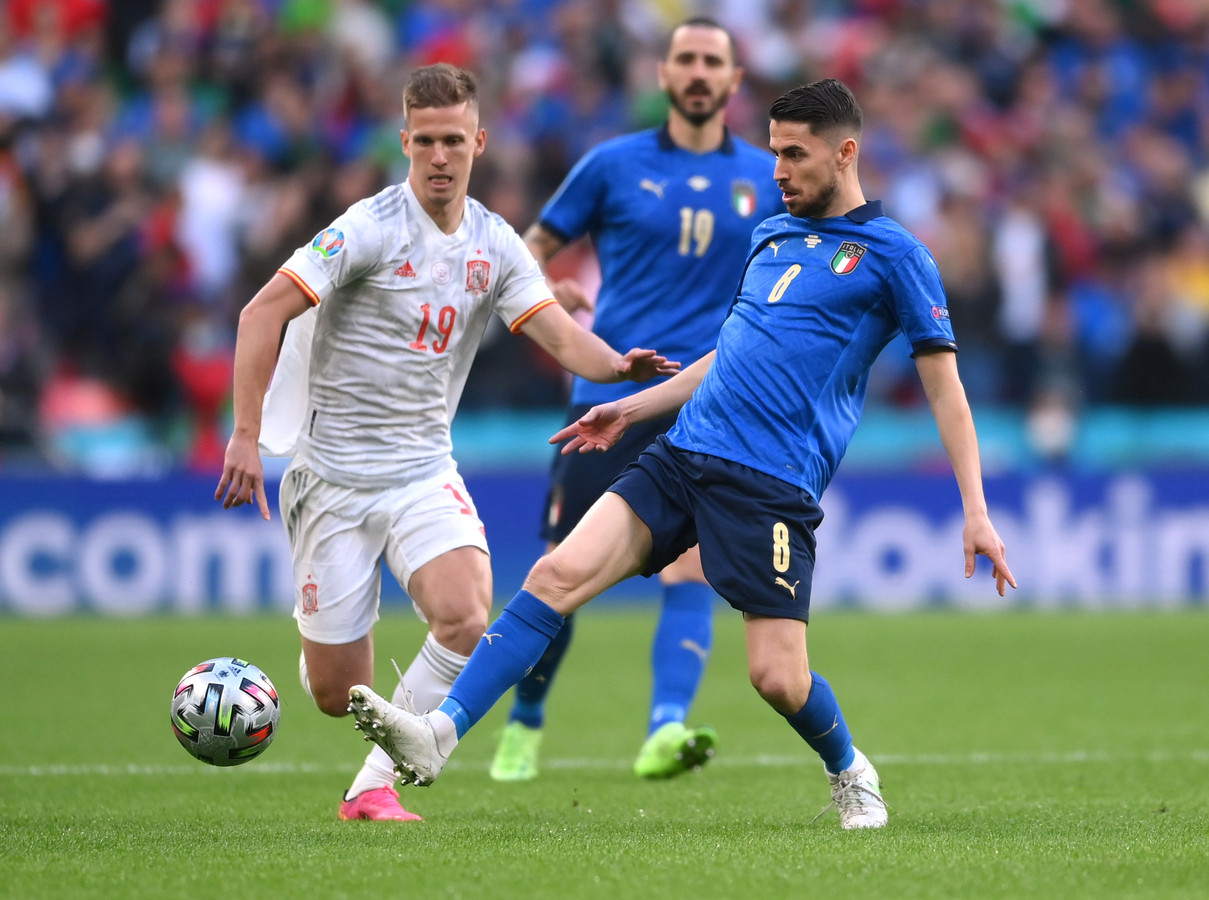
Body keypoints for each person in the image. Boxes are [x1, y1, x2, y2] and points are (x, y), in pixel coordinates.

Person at [346, 78, 1017, 830]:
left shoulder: (896, 255)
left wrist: (976, 510)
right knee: (554, 575)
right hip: (684, 452)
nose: (778, 171)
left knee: (776, 677)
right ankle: (439, 734)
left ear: (845, 153)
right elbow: (729, 355)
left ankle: (850, 768)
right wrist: (628, 408)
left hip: (770, 483)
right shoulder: (770, 236)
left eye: (795, 155)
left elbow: (946, 390)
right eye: (774, 153)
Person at [214, 63, 679, 823]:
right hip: (331, 478)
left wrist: (617, 366)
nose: (439, 156)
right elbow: (259, 314)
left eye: (453, 141)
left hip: (422, 468)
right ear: (404, 141)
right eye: (425, 141)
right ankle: (321, 652)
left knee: (466, 615)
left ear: (479, 142)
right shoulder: (366, 228)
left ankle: (373, 786)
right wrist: (243, 434)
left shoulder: (495, 242)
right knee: (337, 692)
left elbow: (561, 336)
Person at [490, 15, 785, 784]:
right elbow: (527, 248)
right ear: (663, 74)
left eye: (711, 61)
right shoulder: (612, 164)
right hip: (608, 396)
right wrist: (539, 292)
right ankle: (525, 719)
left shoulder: (767, 176)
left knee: (690, 569)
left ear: (733, 80)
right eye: (685, 59)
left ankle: (664, 728)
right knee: (561, 571)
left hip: (707, 403)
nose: (697, 72)